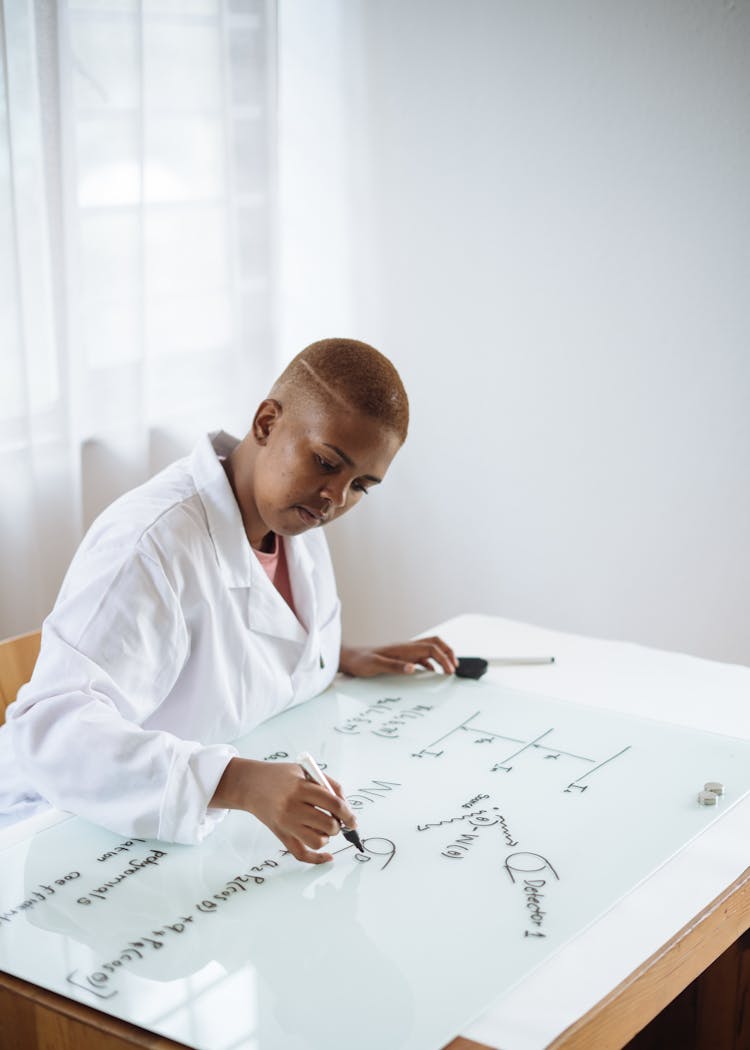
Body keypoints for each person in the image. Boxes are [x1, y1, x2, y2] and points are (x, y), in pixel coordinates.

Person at [0, 338, 457, 863]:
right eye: (327, 462)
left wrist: (332, 656)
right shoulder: (149, 545)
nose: (337, 498)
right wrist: (238, 783)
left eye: (362, 486)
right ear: (266, 423)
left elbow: (241, 642)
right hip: (69, 830)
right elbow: (50, 735)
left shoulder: (295, 515)